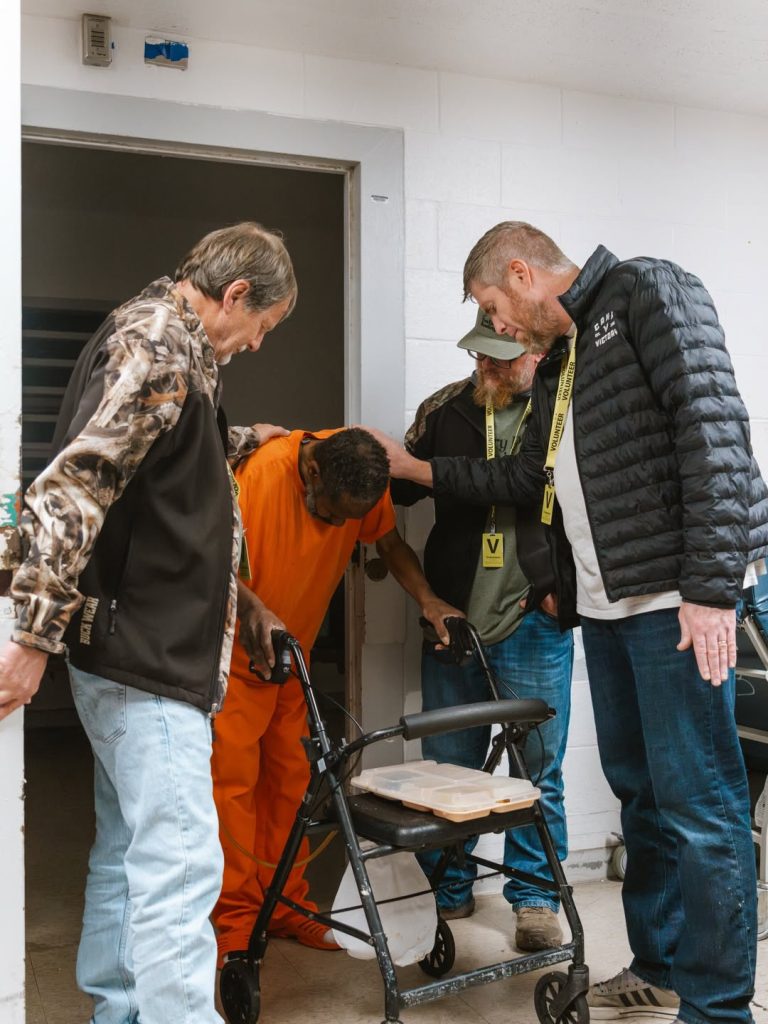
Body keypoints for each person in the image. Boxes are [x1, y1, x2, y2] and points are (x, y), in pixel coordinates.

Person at [372, 221, 768, 1024]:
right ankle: (659, 969)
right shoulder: (561, 357)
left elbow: (714, 429)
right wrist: (420, 471)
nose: (495, 325)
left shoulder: (646, 289)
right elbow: (526, 477)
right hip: (611, 610)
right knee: (642, 797)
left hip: (675, 604)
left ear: (521, 273)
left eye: (492, 305)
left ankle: (718, 1009)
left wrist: (709, 588)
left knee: (702, 805)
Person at [0, 222, 297, 1024]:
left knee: (129, 854)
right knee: (179, 868)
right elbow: (74, 490)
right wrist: (31, 638)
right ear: (236, 294)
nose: (258, 344)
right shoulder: (158, 345)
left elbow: (157, 452)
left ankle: (120, 1012)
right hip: (148, 659)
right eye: (263, 326)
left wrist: (241, 440)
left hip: (132, 652)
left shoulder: (169, 343)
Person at [211, 426, 461, 966]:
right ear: (313, 472)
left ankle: (288, 906)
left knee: (290, 788)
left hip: (291, 663)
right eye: (331, 513)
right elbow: (214, 568)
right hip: (235, 662)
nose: (337, 526)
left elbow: (389, 544)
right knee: (231, 792)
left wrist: (428, 599)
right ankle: (235, 920)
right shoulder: (259, 479)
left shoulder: (361, 476)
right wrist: (255, 617)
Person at [390, 307, 573, 952]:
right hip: (456, 622)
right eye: (478, 353)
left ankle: (535, 899)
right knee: (447, 769)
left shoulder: (562, 409)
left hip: (533, 622)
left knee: (537, 772)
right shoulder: (446, 411)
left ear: (536, 352)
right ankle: (447, 890)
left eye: (499, 355)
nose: (484, 366)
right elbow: (394, 496)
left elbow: (579, 502)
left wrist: (564, 584)